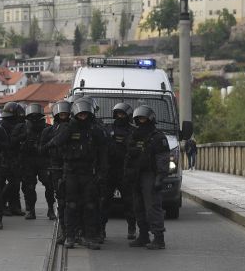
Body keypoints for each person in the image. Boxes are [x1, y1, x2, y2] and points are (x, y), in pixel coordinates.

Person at [48, 99, 107, 250]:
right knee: (71, 205)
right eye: (80, 114)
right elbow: (55, 143)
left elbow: (103, 152)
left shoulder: (95, 130)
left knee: (90, 205)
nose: (82, 116)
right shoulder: (68, 128)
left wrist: (101, 172)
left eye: (85, 114)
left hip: (88, 173)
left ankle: (90, 236)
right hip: (71, 172)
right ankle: (70, 236)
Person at [125, 105, 169, 250]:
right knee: (138, 207)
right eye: (139, 119)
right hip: (136, 175)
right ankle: (143, 235)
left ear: (150, 119)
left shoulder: (158, 137)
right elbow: (128, 156)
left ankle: (158, 237)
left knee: (152, 207)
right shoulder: (134, 134)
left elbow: (163, 158)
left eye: (143, 118)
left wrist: (160, 177)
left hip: (150, 174)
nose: (141, 121)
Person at [102, 103, 136, 240]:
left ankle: (132, 227)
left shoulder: (133, 131)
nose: (120, 117)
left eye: (122, 114)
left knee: (129, 201)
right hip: (110, 170)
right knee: (104, 201)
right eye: (118, 114)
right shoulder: (108, 129)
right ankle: (101, 229)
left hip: (125, 170)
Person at [16, 103, 55, 220]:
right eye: (31, 116)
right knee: (29, 187)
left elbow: (54, 144)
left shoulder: (48, 128)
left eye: (36, 116)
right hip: (28, 161)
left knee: (49, 186)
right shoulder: (22, 128)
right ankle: (31, 210)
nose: (34, 119)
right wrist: (24, 137)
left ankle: (50, 209)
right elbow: (13, 143)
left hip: (44, 160)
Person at [40, 100, 71, 244]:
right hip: (54, 167)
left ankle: (71, 230)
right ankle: (63, 229)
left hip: (69, 166)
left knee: (70, 200)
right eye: (61, 113)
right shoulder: (48, 131)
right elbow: (42, 150)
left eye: (65, 113)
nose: (63, 115)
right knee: (60, 198)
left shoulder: (72, 128)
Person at [0, 102, 24, 217]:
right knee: (13, 183)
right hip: (7, 157)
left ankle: (14, 206)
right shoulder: (7, 125)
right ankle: (3, 204)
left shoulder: (6, 124)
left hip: (12, 157)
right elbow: (9, 143)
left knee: (15, 182)